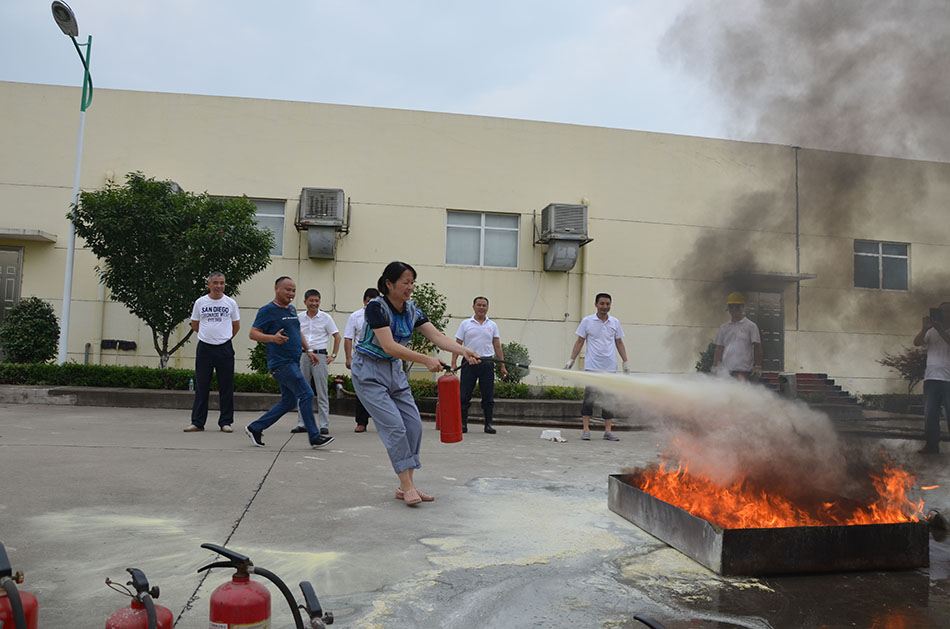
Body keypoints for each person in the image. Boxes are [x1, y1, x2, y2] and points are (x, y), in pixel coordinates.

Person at [350, 261, 480, 506]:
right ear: (389, 284)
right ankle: (408, 486)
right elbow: (388, 346)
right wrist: (426, 360)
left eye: (412, 282)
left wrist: (465, 351)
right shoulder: (376, 308)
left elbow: (438, 337)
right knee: (394, 427)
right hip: (368, 371)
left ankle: (405, 485)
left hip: (393, 370)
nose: (410, 287)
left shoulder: (412, 310)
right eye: (405, 282)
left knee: (413, 425)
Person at [244, 276, 334, 449]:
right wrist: (273, 338)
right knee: (307, 394)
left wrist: (308, 351)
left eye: (293, 290)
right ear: (277, 289)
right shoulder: (267, 310)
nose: (291, 293)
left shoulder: (292, 309)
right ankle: (314, 436)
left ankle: (255, 428)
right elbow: (253, 333)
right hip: (281, 363)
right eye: (287, 289)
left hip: (294, 360)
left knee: (289, 402)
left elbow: (297, 331)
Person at [565, 293, 629, 442]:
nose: (605, 307)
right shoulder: (587, 321)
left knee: (608, 400)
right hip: (592, 367)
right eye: (602, 304)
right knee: (589, 399)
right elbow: (580, 341)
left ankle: (608, 431)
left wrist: (625, 362)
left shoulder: (615, 322)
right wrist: (571, 360)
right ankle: (586, 430)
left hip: (610, 368)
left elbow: (619, 343)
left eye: (607, 304)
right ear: (596, 304)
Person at [185, 272, 240, 433]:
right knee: (202, 385)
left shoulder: (230, 303)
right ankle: (197, 422)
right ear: (208, 284)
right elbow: (195, 324)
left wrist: (224, 337)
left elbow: (236, 326)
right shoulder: (200, 302)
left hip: (224, 348)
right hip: (204, 348)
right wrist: (207, 335)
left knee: (226, 386)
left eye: (222, 283)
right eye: (215, 283)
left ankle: (226, 422)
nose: (219, 286)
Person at [452, 296, 507, 434]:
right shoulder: (465, 324)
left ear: (487, 308)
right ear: (473, 306)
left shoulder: (492, 325)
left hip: (487, 362)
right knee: (464, 395)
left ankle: (488, 424)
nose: (481, 308)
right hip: (468, 363)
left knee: (488, 395)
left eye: (484, 305)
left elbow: (497, 346)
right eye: (479, 305)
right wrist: (453, 362)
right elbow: (457, 344)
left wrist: (502, 365)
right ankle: (463, 424)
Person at [292, 289, 342, 436]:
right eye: (311, 301)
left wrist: (333, 355)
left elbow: (337, 337)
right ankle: (302, 423)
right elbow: (294, 335)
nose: (314, 303)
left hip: (320, 356)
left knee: (321, 391)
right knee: (302, 390)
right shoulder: (299, 317)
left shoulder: (326, 318)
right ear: (305, 302)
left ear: (319, 302)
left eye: (316, 301)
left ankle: (324, 424)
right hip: (303, 355)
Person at [913, 302, 950, 454]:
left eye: (945, 311)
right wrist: (924, 328)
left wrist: (941, 329)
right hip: (931, 378)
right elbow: (917, 342)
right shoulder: (931, 331)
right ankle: (932, 446)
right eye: (940, 311)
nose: (942, 314)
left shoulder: (941, 330)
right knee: (930, 414)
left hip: (948, 379)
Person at [343, 287, 380, 433]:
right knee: (361, 391)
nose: (371, 304)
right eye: (369, 301)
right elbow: (348, 338)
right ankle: (361, 422)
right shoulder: (356, 316)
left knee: (380, 392)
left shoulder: (383, 316)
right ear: (364, 301)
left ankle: (381, 422)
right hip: (361, 358)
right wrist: (348, 358)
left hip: (379, 358)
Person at [711, 292, 762, 381]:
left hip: (744, 371)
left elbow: (757, 347)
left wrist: (757, 366)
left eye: (737, 306)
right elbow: (719, 348)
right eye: (731, 306)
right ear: (728, 309)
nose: (734, 309)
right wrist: (715, 367)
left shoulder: (751, 326)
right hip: (726, 372)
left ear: (742, 307)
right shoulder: (724, 328)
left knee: (741, 394)